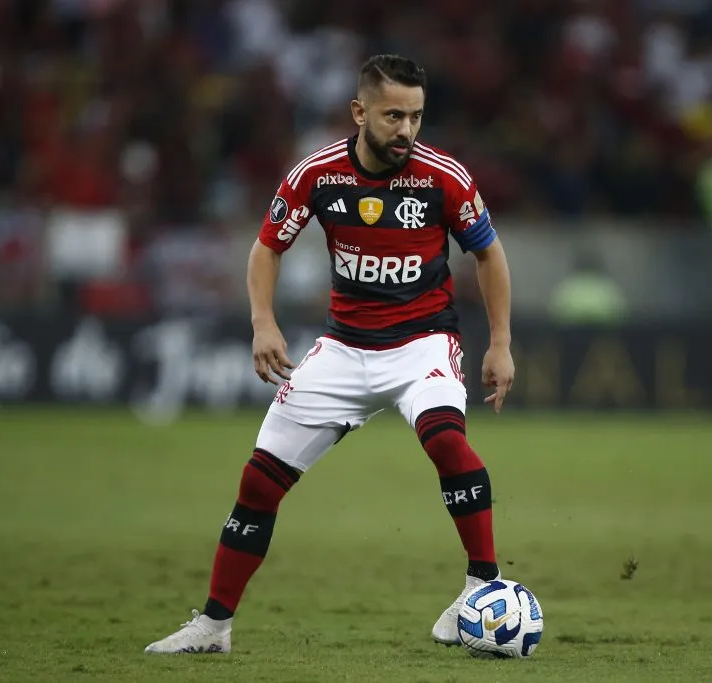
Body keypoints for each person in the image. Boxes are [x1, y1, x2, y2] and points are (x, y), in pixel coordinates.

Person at [145, 54, 515, 654]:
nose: (406, 130)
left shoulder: (443, 176)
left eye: (417, 116)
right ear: (359, 111)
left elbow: (490, 255)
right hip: (342, 349)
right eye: (394, 115)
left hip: (423, 342)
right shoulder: (317, 175)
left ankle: (482, 590)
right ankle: (213, 627)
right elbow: (267, 248)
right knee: (258, 485)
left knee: (447, 440)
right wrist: (263, 323)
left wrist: (499, 343)